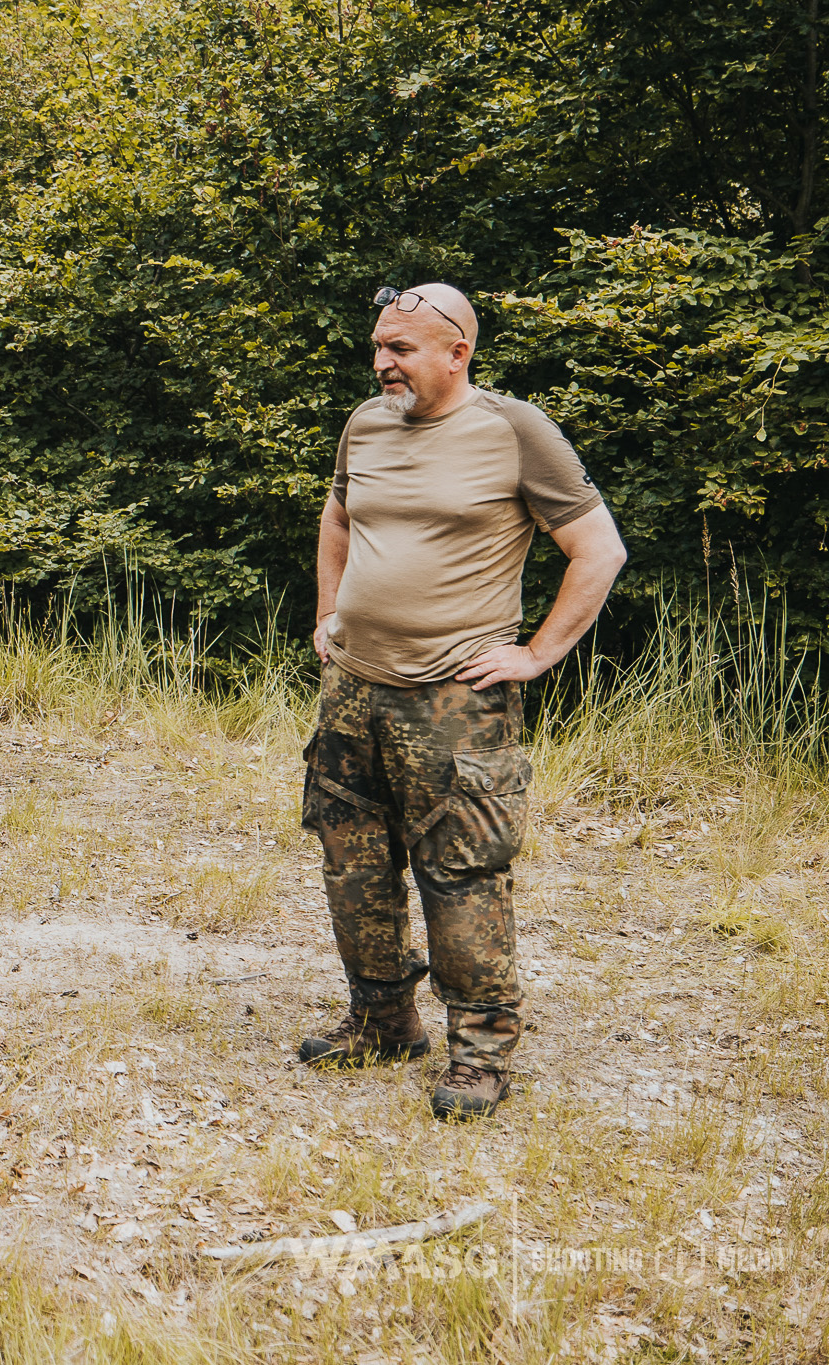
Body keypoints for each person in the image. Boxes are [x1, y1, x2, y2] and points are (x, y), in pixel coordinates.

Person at [300, 283, 627, 1121]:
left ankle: (480, 1054)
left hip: (454, 702)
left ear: (458, 352)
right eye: (378, 346)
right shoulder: (365, 424)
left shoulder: (515, 430)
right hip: (353, 690)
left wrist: (537, 652)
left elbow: (598, 548)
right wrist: (327, 612)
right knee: (354, 864)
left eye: (401, 349)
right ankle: (382, 1019)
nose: (382, 362)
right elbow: (338, 516)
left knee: (461, 872)